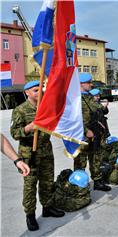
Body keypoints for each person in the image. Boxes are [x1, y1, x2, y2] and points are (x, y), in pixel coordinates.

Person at [10, 80, 65, 231]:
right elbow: (14, 133)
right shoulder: (20, 110)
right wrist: (28, 128)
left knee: (47, 182)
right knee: (30, 186)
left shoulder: (45, 108)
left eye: (40, 89)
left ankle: (47, 208)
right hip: (29, 154)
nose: (39, 92)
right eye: (35, 90)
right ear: (27, 92)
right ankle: (30, 215)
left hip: (46, 151)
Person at [74, 73, 111, 192]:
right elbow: (73, 119)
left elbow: (98, 111)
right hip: (82, 135)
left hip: (96, 133)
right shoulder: (75, 98)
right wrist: (86, 131)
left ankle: (98, 181)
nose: (91, 85)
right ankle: (79, 185)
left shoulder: (90, 97)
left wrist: (104, 108)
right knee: (81, 161)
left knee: (96, 158)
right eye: (88, 83)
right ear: (80, 84)